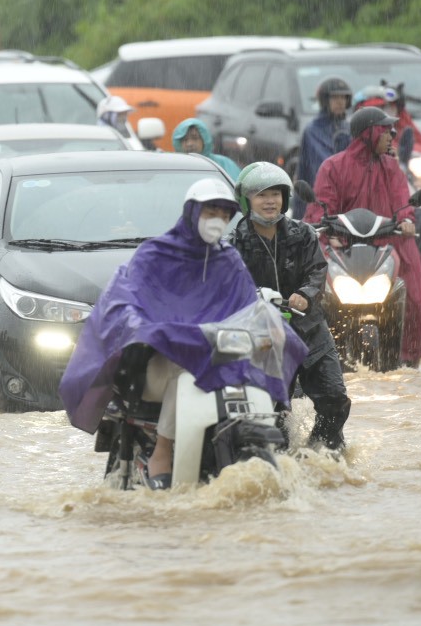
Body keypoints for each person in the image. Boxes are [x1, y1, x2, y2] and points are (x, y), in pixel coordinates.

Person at [58, 178, 304, 490]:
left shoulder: (228, 260)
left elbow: (247, 305)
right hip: (161, 358)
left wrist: (265, 325)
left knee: (253, 364)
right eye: (210, 210)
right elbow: (128, 297)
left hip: (214, 352)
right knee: (183, 372)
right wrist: (147, 327)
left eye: (225, 213)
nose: (218, 219)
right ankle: (163, 451)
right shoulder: (154, 254)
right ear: (192, 211)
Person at [229, 162, 350, 450]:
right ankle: (283, 466)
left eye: (275, 194)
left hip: (308, 330)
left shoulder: (304, 234)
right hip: (263, 338)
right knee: (273, 414)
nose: (270, 201)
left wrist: (305, 294)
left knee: (334, 397)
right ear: (246, 200)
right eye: (261, 195)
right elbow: (228, 287)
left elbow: (318, 271)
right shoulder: (233, 243)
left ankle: (322, 454)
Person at [304, 107, 421, 368]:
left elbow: (402, 202)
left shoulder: (392, 167)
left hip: (388, 244)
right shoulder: (333, 167)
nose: (391, 136)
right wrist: (325, 231)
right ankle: (319, 356)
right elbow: (321, 206)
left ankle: (409, 362)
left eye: (392, 131)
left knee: (414, 298)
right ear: (368, 133)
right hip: (344, 245)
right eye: (385, 131)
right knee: (320, 296)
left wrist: (406, 220)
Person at [297, 77, 353, 197]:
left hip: (345, 194)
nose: (340, 102)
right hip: (320, 195)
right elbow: (325, 165)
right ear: (324, 100)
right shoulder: (313, 130)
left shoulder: (348, 128)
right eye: (335, 97)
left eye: (343, 97)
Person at [171, 117, 242, 180]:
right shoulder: (173, 167)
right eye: (185, 140)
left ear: (205, 140)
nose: (189, 144)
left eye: (195, 138)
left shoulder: (224, 164)